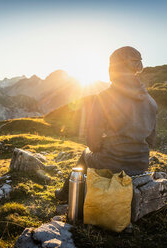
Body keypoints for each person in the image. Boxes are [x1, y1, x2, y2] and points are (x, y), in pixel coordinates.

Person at [55, 46, 157, 201]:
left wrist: (109, 143)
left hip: (111, 162)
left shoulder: (104, 97)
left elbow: (93, 144)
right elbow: (151, 140)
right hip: (140, 164)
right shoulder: (151, 102)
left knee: (85, 153)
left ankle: (65, 195)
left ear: (114, 68)